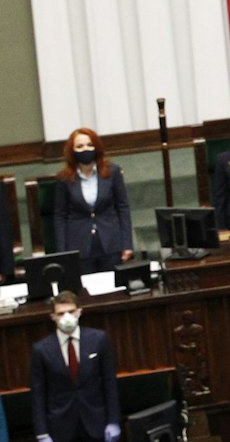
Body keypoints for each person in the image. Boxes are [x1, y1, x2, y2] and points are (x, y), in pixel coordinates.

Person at [29, 291, 118, 442]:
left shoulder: (98, 339)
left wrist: (113, 421)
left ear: (79, 311)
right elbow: (38, 394)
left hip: (96, 422)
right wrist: (42, 433)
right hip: (60, 427)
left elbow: (110, 383)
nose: (66, 317)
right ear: (53, 317)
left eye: (71, 311)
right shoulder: (41, 350)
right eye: (61, 313)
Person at [51, 129, 132, 273]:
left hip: (111, 242)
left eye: (89, 145)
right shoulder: (64, 179)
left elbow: (123, 208)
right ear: (72, 151)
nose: (85, 149)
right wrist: (62, 253)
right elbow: (60, 216)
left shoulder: (112, 172)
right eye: (80, 146)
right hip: (79, 246)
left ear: (97, 147)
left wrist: (127, 244)